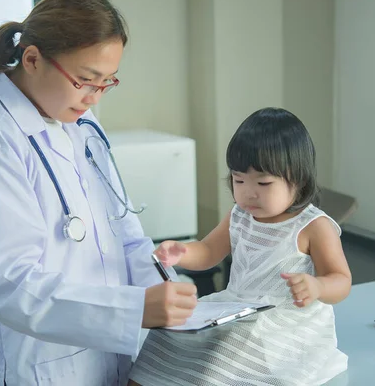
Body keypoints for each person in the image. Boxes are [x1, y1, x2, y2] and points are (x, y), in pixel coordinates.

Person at [0, 0, 197, 385]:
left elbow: (127, 238)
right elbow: (10, 286)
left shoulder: (83, 127)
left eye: (107, 82)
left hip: (106, 360)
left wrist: (166, 294)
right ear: (34, 59)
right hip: (34, 371)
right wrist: (133, 310)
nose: (94, 97)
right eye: (85, 80)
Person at [128, 107, 352, 386]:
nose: (248, 192)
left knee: (228, 351)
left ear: (298, 179)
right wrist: (183, 252)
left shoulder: (313, 226)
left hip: (284, 324)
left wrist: (318, 287)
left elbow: (341, 280)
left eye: (263, 182)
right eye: (239, 179)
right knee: (167, 332)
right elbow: (209, 251)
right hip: (235, 307)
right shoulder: (241, 215)